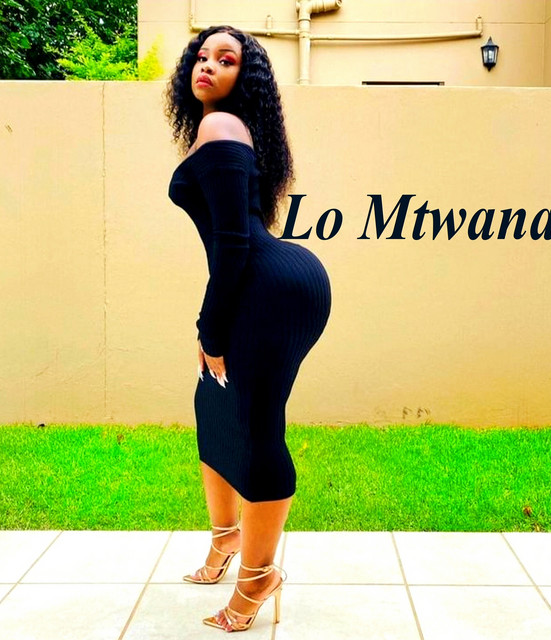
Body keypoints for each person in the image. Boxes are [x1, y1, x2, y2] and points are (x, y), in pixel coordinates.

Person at [164, 25, 332, 632]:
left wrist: (210, 330)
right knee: (213, 409)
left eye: (226, 59)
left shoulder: (221, 127)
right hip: (266, 282)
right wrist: (211, 326)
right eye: (201, 55)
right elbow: (232, 244)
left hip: (267, 287)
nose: (207, 65)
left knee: (258, 427)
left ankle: (258, 576)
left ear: (245, 77)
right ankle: (225, 539)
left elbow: (233, 244)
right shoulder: (227, 129)